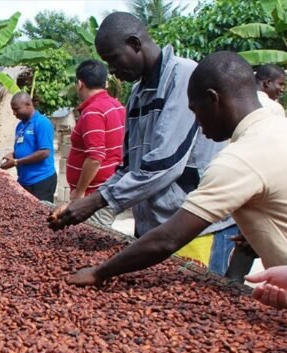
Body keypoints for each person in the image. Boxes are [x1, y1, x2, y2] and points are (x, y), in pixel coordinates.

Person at [65, 51, 287, 290]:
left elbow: (167, 240)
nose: (197, 123)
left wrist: (99, 272)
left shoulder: (237, 160)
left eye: (195, 110)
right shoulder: (275, 123)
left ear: (213, 99)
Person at [48, 12, 237, 275]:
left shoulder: (184, 77)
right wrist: (89, 200)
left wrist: (96, 201)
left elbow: (165, 163)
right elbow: (129, 166)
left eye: (114, 59)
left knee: (191, 303)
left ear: (135, 44)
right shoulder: (137, 93)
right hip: (153, 227)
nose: (112, 71)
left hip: (194, 228)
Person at [66, 60, 125, 227]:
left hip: (93, 196)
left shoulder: (93, 111)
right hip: (107, 188)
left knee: (88, 241)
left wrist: (79, 192)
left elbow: (95, 157)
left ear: (79, 84)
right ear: (105, 83)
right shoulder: (116, 106)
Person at [0, 92, 57, 202]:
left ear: (28, 105)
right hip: (24, 181)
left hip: (41, 180)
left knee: (41, 215)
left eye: (17, 109)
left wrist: (16, 162)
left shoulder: (42, 123)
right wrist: (12, 155)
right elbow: (23, 147)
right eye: (13, 109)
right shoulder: (20, 126)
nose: (14, 113)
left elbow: (44, 152)